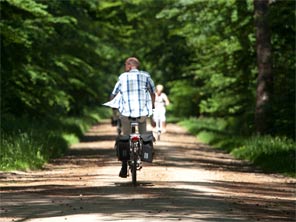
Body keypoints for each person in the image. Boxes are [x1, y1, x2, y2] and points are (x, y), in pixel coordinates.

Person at [110, 57, 156, 178]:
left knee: (124, 137)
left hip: (126, 113)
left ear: (129, 66)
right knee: (143, 135)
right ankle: (142, 155)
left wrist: (114, 110)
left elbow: (113, 94)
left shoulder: (122, 77)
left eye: (125, 65)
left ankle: (124, 165)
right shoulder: (146, 76)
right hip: (142, 113)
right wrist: (152, 108)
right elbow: (152, 93)